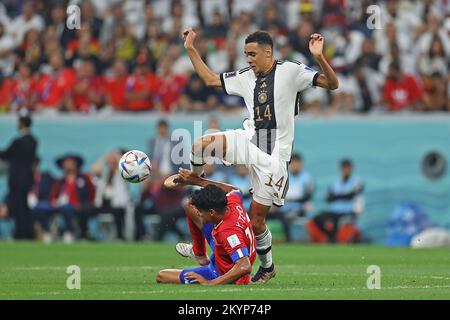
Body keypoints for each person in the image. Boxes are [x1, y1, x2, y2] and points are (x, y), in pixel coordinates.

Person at [165, 28, 338, 283]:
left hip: (274, 154)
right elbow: (212, 80)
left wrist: (319, 57)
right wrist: (190, 49)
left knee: (256, 221)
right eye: (246, 54)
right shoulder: (246, 76)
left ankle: (268, 267)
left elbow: (332, 84)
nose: (248, 59)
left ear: (268, 52)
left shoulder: (291, 71)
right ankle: (195, 177)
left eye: (252, 54)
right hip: (250, 138)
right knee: (201, 145)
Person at [157, 168, 256, 285]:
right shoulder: (232, 201)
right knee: (189, 204)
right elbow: (235, 189)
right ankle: (200, 254)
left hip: (222, 272)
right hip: (224, 250)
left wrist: (211, 282)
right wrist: (197, 181)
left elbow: (244, 266)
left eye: (200, 211)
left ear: (212, 212)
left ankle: (210, 270)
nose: (198, 213)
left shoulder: (228, 232)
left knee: (162, 276)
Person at [306, 159, 364, 244]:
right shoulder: (334, 183)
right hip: (334, 212)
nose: (346, 170)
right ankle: (330, 236)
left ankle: (334, 238)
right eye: (344, 168)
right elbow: (328, 198)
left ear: (352, 169)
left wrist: (337, 196)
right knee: (318, 217)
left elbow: (353, 194)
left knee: (340, 224)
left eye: (348, 168)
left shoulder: (357, 181)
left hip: (347, 212)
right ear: (341, 169)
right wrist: (344, 196)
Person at [0, 110, 38, 239]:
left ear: (21, 123)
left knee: (18, 207)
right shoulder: (33, 141)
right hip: (27, 179)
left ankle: (21, 233)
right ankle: (28, 232)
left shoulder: (18, 141)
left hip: (16, 179)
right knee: (24, 207)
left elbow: (5, 155)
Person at [51, 153, 96, 242]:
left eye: (70, 162)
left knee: (81, 211)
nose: (68, 165)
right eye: (66, 163)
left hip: (81, 206)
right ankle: (66, 231)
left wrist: (87, 203)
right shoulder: (60, 181)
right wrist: (54, 201)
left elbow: (92, 192)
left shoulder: (84, 178)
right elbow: (53, 196)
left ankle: (80, 233)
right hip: (63, 206)